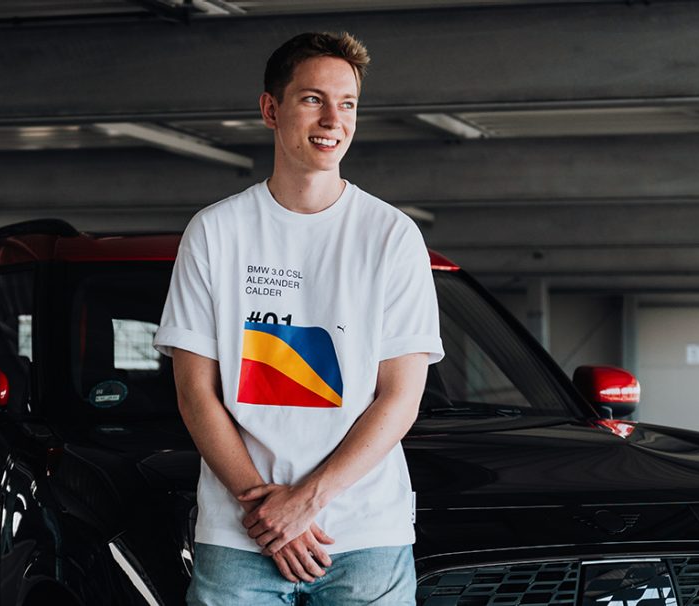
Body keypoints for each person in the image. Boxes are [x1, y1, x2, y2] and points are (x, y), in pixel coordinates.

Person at [152, 31, 445, 606]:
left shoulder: (391, 236)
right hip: (241, 537)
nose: (333, 119)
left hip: (364, 533)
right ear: (271, 109)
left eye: (348, 103)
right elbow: (195, 393)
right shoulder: (216, 232)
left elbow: (400, 398)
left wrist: (305, 501)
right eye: (313, 98)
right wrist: (266, 511)